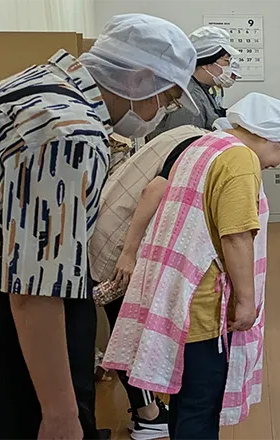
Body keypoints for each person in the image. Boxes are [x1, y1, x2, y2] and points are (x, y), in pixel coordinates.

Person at [0, 13, 197, 440]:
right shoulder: (69, 132)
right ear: (141, 79)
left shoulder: (29, 84)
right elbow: (34, 290)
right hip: (11, 310)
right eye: (165, 100)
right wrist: (59, 413)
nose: (161, 113)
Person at [103, 93, 280, 439]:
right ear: (272, 138)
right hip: (203, 305)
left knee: (184, 398)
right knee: (201, 402)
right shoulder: (240, 160)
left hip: (177, 292)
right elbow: (236, 236)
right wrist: (246, 301)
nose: (277, 165)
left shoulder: (205, 145)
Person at [89, 123, 210, 439]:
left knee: (126, 328)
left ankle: (147, 410)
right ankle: (148, 415)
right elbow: (153, 191)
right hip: (117, 241)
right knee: (128, 331)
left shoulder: (188, 133)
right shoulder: (198, 146)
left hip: (110, 224)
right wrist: (129, 253)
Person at [148, 26, 239, 140]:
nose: (229, 67)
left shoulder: (204, 89)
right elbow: (183, 143)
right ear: (206, 62)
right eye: (226, 60)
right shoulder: (189, 97)